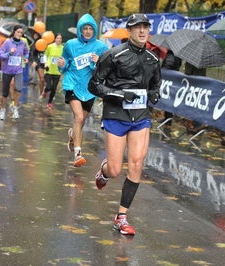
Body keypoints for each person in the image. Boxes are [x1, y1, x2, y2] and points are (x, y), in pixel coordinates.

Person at [88, 13, 161, 235]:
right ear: (128, 31)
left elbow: (155, 86)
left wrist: (154, 96)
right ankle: (103, 172)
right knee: (115, 169)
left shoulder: (153, 59)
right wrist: (119, 95)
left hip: (140, 116)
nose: (141, 31)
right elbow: (94, 85)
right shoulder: (112, 55)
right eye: (137, 27)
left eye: (145, 27)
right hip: (116, 114)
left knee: (137, 164)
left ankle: (121, 217)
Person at [57, 13, 108, 167]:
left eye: (90, 29)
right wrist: (62, 64)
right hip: (72, 84)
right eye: (84, 28)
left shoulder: (101, 47)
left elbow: (105, 69)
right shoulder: (70, 45)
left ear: (94, 30)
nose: (87, 31)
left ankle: (73, 134)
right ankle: (78, 154)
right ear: (80, 30)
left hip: (90, 88)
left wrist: (98, 62)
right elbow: (65, 64)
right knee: (79, 117)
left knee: (82, 120)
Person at [0, 25, 29, 120]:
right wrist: (8, 53)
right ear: (14, 32)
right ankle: (2, 110)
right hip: (7, 70)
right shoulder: (7, 43)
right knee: (5, 92)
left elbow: (27, 52)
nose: (19, 34)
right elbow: (0, 54)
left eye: (21, 33)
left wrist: (26, 58)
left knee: (18, 89)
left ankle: (15, 107)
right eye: (18, 32)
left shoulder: (23, 43)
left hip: (18, 70)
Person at [157, 50, 182, 125]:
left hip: (168, 81)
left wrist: (162, 72)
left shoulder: (170, 56)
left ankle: (167, 119)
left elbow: (167, 66)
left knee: (167, 99)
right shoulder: (178, 55)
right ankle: (168, 119)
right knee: (169, 100)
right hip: (174, 81)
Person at [43, 33, 64, 109]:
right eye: (58, 38)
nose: (59, 40)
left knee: (54, 88)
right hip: (49, 70)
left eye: (60, 38)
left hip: (57, 71)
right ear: (55, 39)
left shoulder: (63, 48)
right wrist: (45, 63)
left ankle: (50, 102)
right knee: (49, 87)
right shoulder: (50, 46)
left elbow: (64, 58)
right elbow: (45, 55)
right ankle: (45, 91)